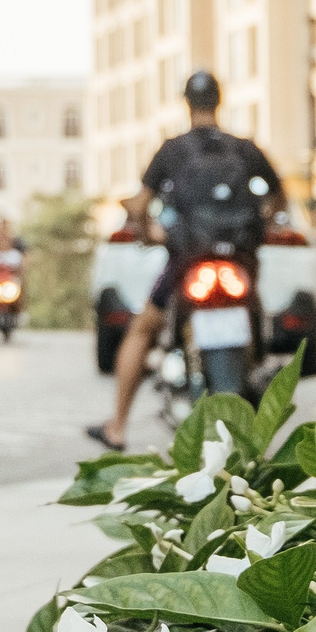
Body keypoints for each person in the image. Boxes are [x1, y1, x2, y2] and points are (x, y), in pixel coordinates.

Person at [87, 71, 286, 450]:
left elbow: (139, 205)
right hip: (240, 261)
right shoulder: (245, 149)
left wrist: (147, 231)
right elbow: (279, 197)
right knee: (259, 316)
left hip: (188, 262)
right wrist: (265, 223)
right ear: (219, 101)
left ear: (187, 104)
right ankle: (257, 367)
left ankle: (117, 426)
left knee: (142, 330)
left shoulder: (172, 150)